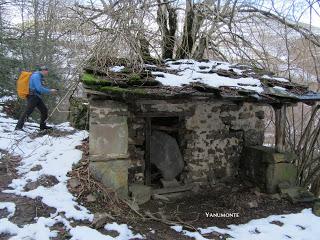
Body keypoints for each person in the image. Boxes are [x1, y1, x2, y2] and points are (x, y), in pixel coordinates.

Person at [15, 66, 58, 131]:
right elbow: (39, 88)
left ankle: (43, 127)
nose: (47, 73)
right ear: (42, 70)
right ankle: (18, 128)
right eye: (46, 71)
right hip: (33, 96)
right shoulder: (36, 76)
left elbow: (38, 88)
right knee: (27, 112)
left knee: (44, 110)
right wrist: (50, 91)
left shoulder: (38, 76)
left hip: (36, 96)